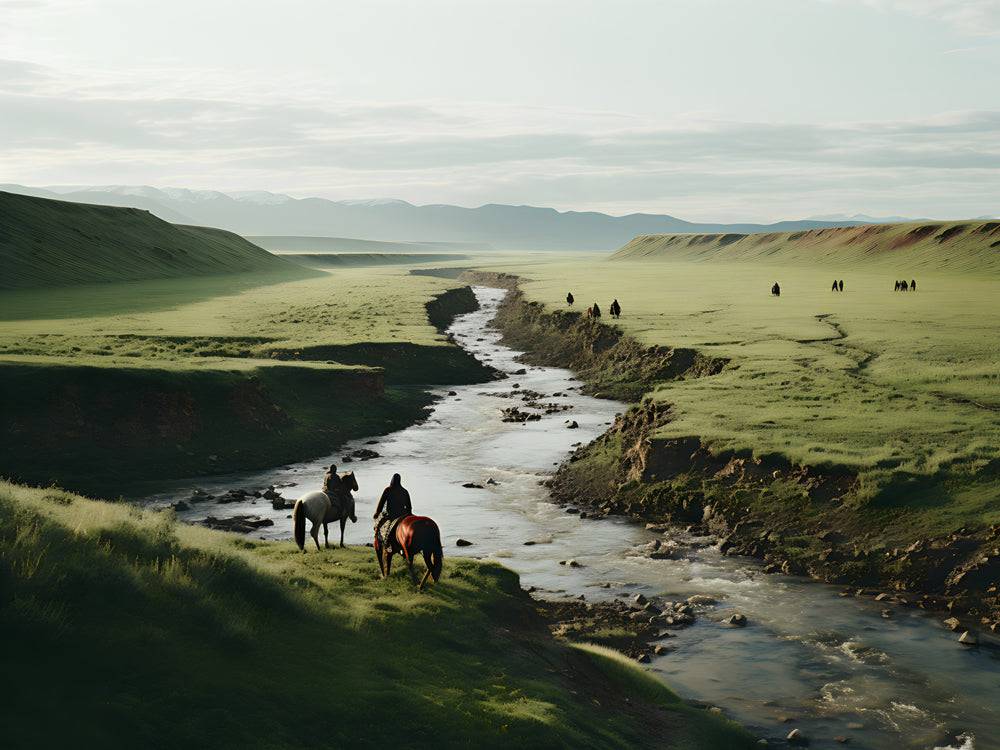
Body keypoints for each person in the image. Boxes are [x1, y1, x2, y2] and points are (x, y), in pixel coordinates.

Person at [374, 473, 412, 547]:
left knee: (378, 527)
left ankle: (379, 542)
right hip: (403, 515)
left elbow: (381, 503)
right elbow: (409, 507)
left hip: (391, 515)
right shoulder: (405, 491)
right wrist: (409, 515)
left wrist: (377, 513)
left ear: (392, 480)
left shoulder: (388, 490)